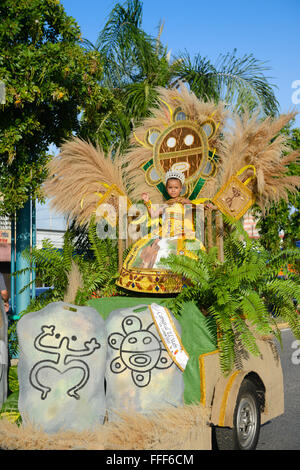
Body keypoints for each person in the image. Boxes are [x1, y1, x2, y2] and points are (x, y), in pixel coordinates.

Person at [116, 169, 207, 294]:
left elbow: (196, 208)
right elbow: (153, 214)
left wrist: (190, 203)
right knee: (156, 249)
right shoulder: (166, 205)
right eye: (170, 187)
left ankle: (182, 284)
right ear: (167, 189)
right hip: (165, 233)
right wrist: (147, 201)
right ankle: (155, 284)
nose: (173, 190)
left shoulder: (183, 203)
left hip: (180, 233)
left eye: (176, 187)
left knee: (182, 251)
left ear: (181, 189)